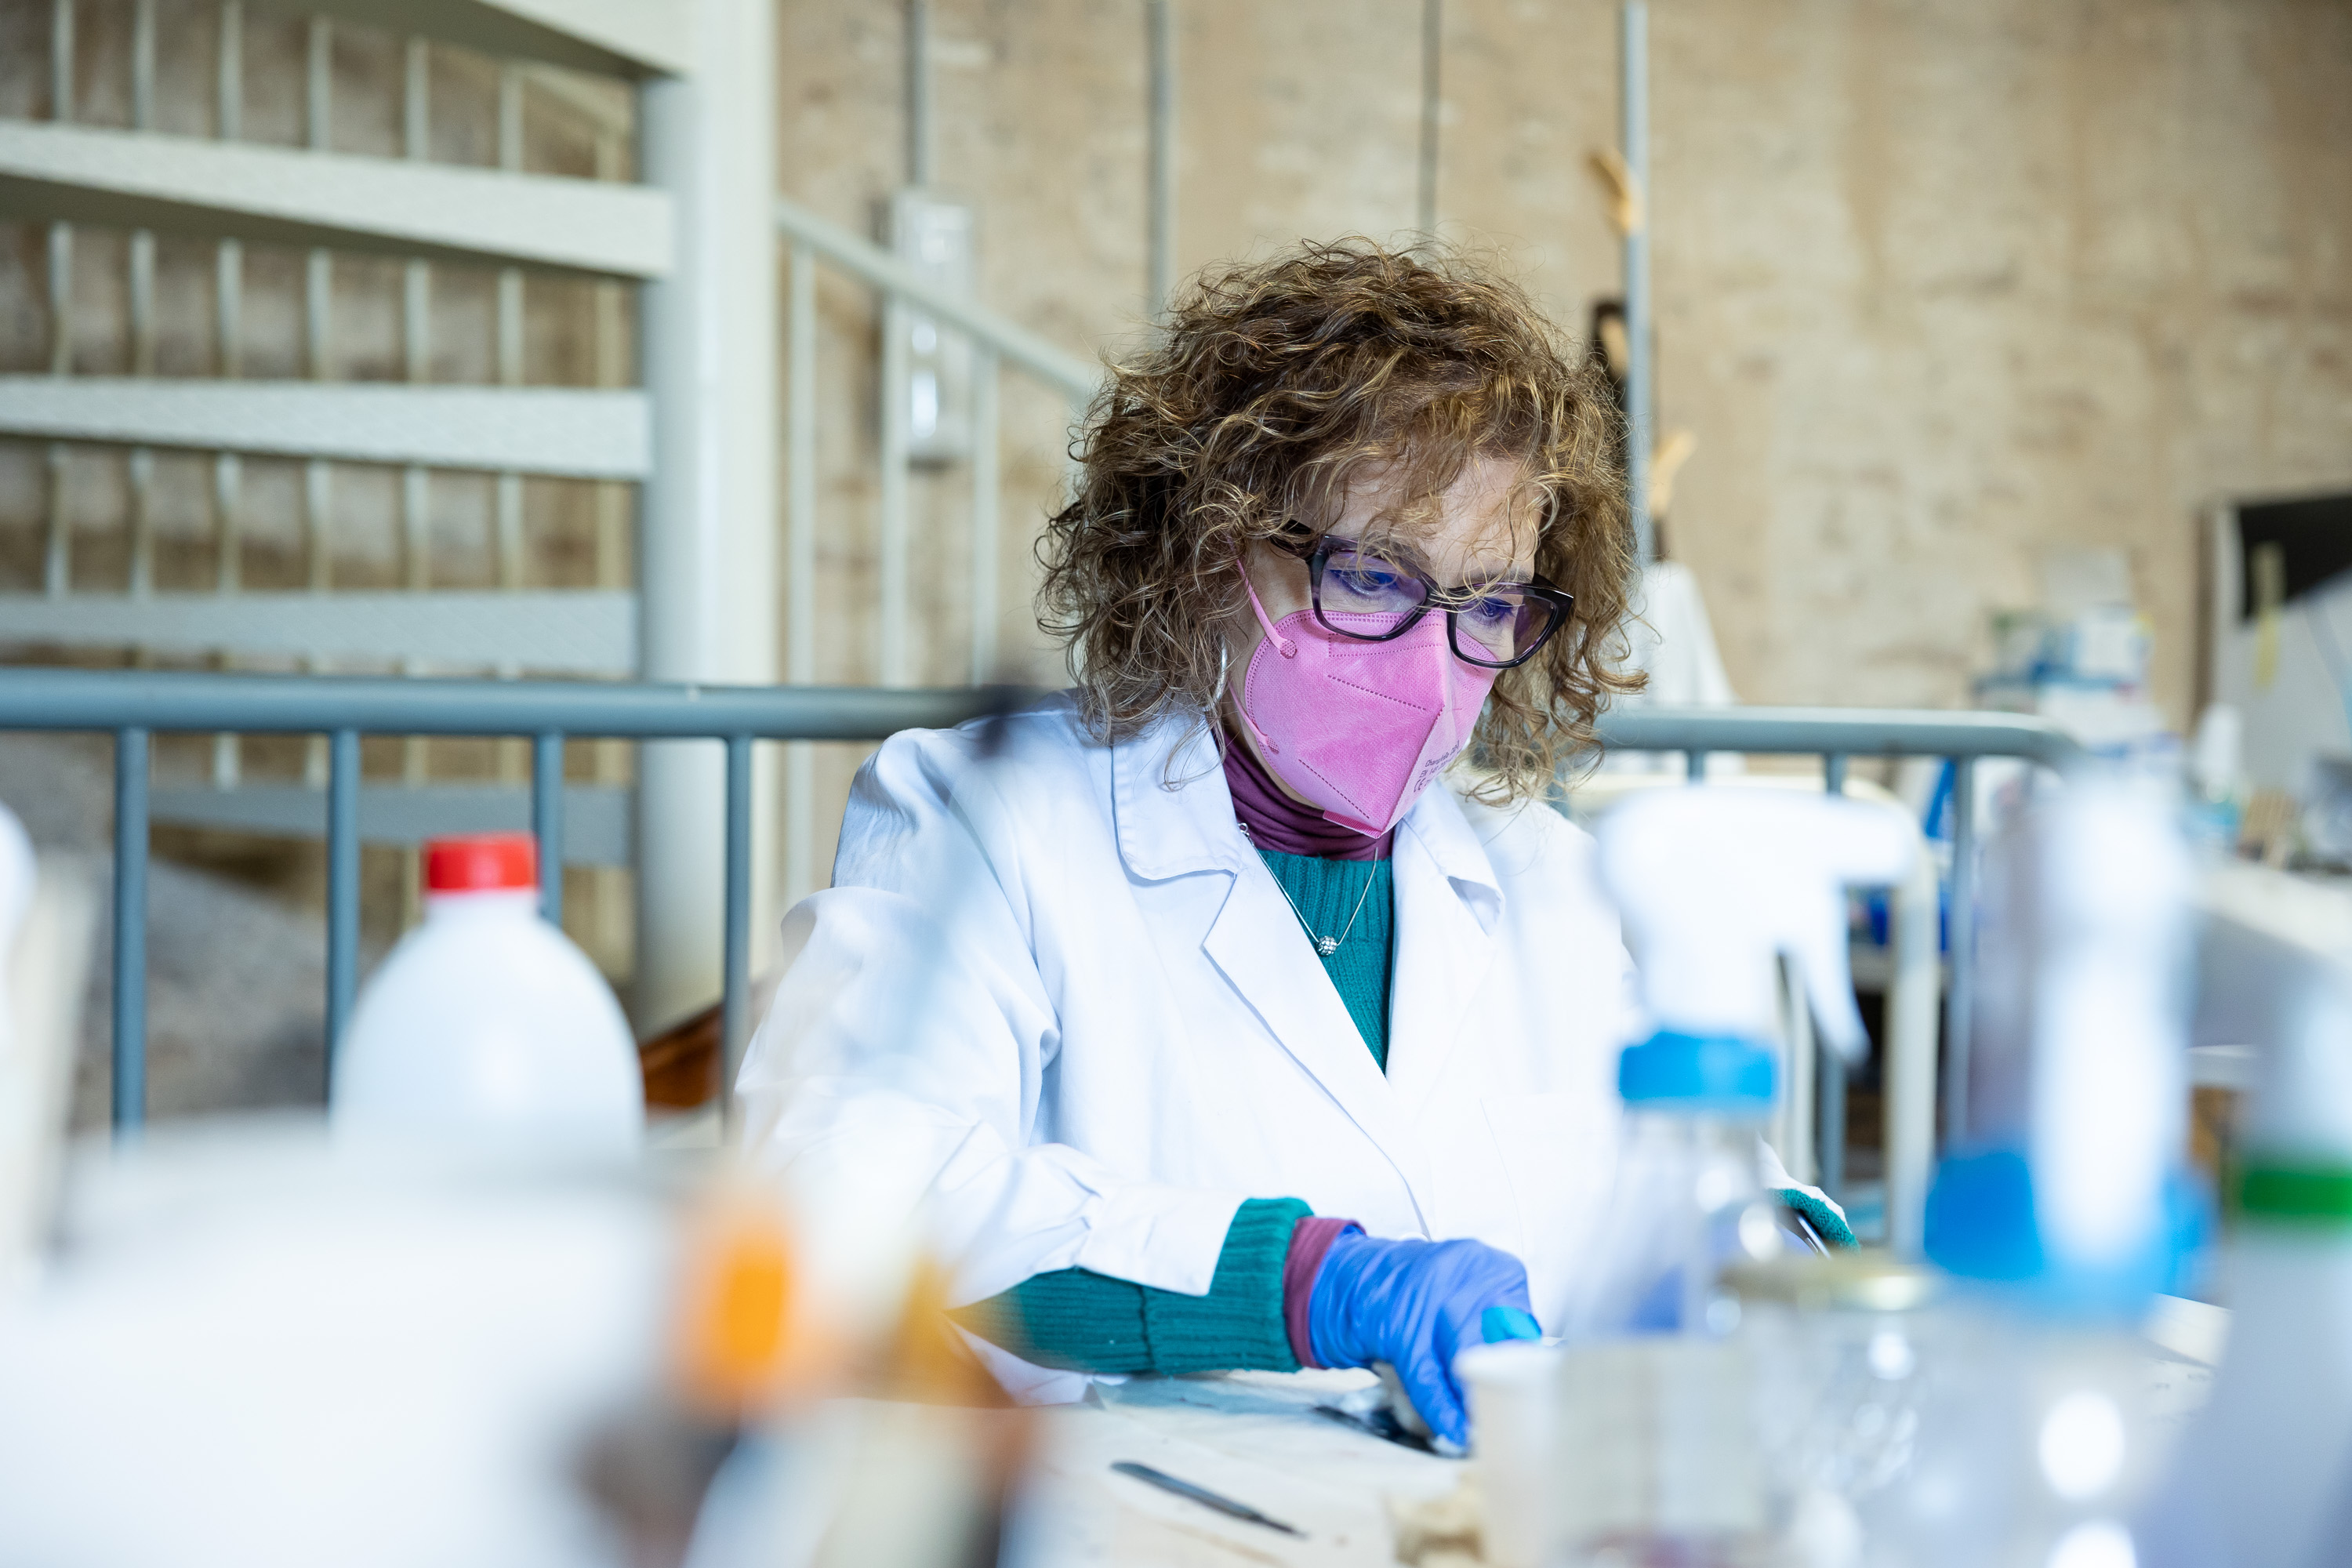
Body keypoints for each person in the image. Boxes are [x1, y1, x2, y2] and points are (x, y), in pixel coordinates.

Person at [739, 240, 1844, 1446]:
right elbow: (843, 1197)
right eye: (1371, 578)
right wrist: (1306, 1284)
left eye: (1487, 604)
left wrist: (1781, 1275)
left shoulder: (1545, 879)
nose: (1433, 671)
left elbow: (1712, 1191)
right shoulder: (986, 819)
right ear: (1207, 553)